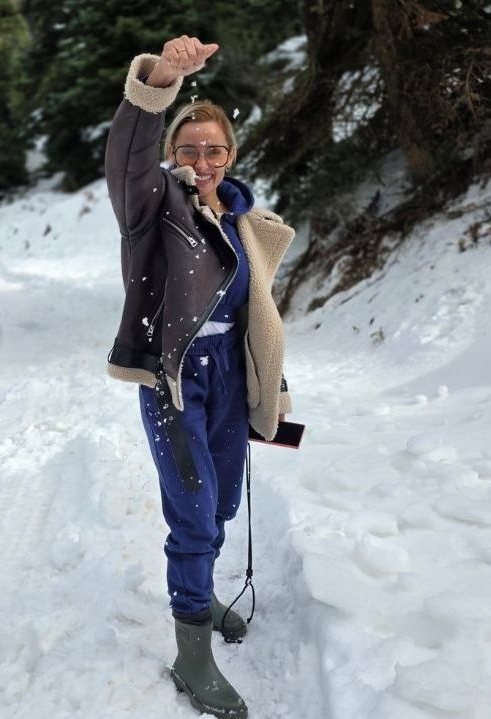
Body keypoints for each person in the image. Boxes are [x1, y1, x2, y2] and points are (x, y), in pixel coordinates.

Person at [104, 35, 296, 719]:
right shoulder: (153, 204)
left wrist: (274, 390)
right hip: (174, 380)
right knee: (191, 512)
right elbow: (127, 158)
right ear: (172, 155)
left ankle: (203, 591)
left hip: (229, 382)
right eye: (189, 150)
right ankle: (192, 652)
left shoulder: (246, 223)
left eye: (214, 150)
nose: (203, 162)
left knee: (219, 507)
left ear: (231, 156)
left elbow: (257, 317)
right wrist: (160, 80)